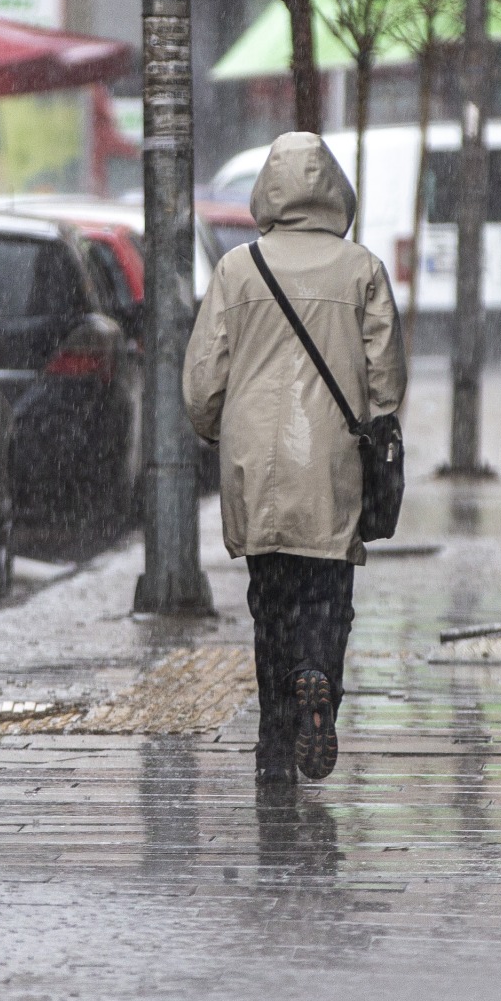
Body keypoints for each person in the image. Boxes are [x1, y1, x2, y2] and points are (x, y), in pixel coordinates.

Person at [182, 132, 406, 784]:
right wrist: (376, 423)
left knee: (270, 599)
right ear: (334, 190)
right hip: (331, 453)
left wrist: (212, 430)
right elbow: (383, 378)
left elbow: (203, 380)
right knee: (328, 594)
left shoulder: (236, 268)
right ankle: (319, 680)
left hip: (256, 458)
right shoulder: (360, 268)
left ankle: (273, 746)